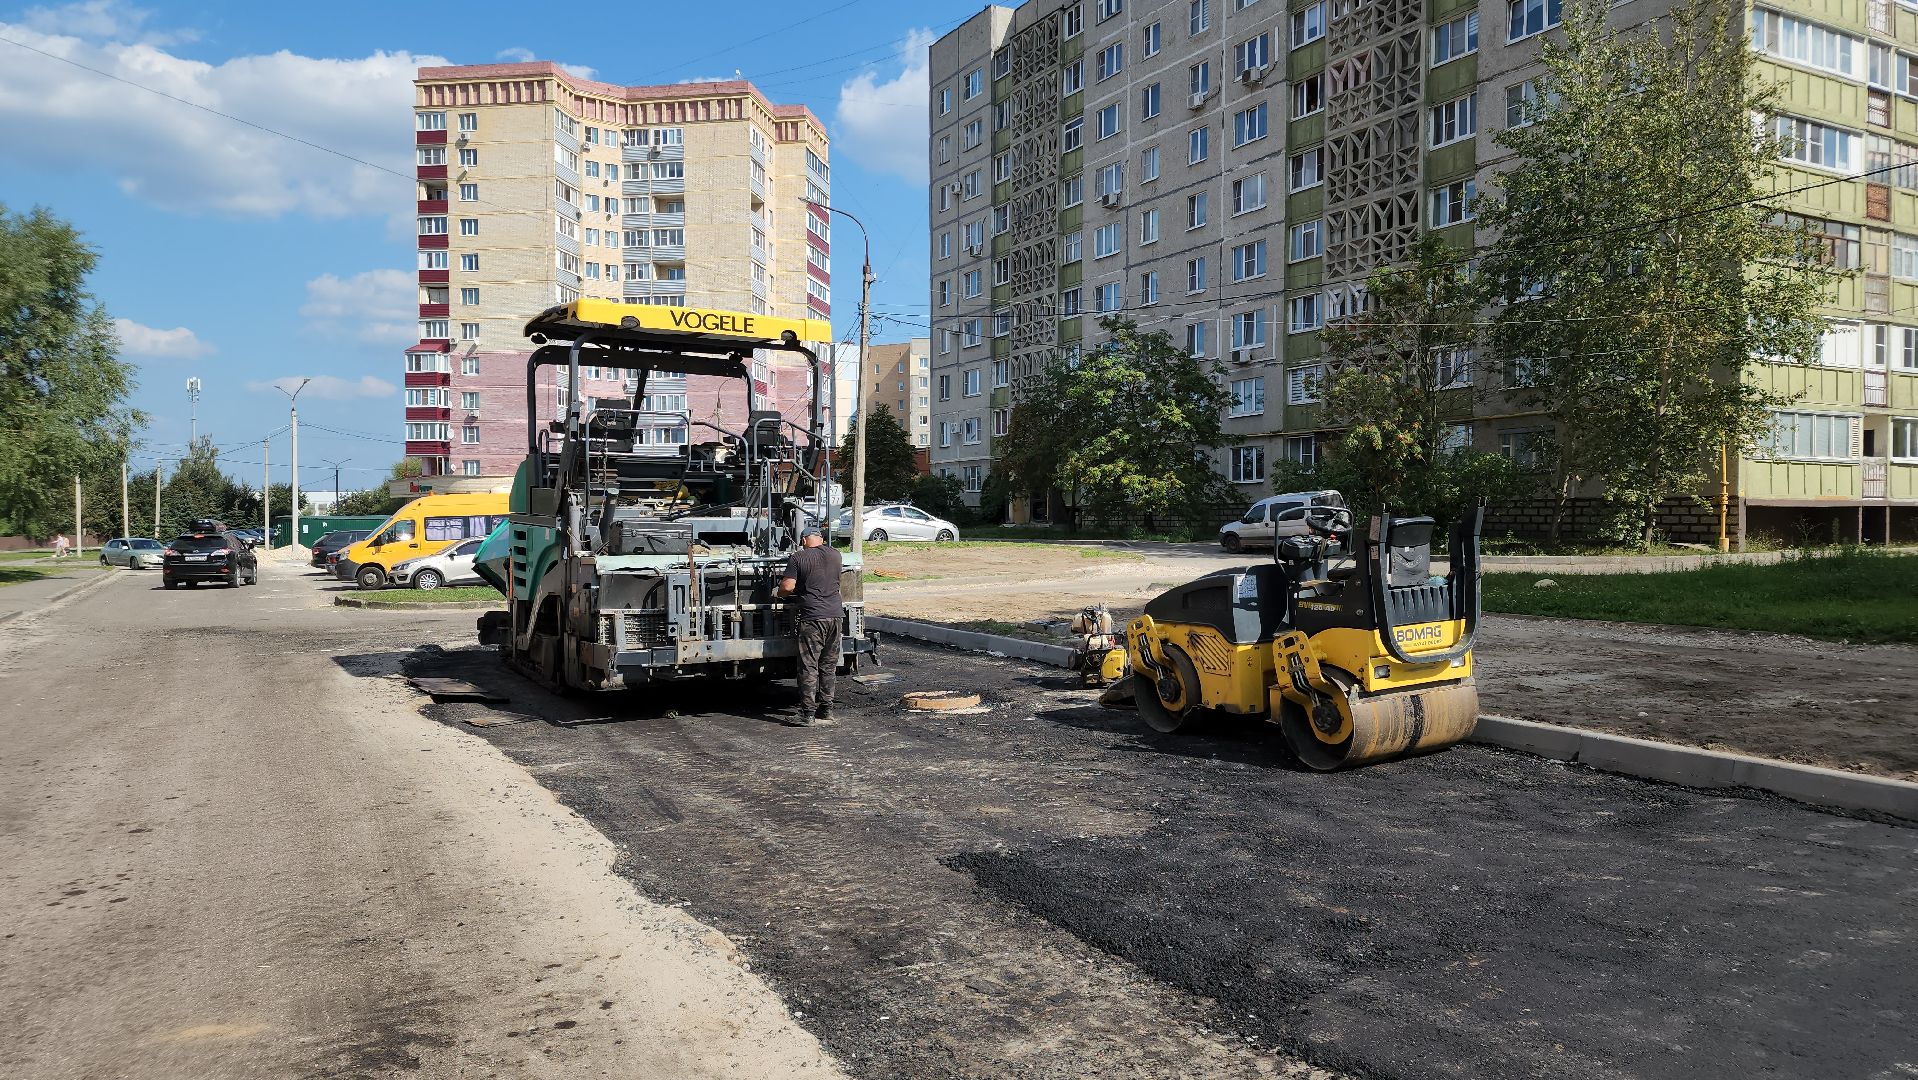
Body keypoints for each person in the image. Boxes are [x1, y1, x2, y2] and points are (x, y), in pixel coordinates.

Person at [778, 526, 843, 727]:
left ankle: (807, 714)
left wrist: (777, 593)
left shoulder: (799, 557)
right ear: (821, 539)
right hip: (835, 616)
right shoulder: (836, 555)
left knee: (808, 665)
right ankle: (827, 710)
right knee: (828, 666)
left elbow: (788, 587)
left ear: (805, 539)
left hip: (813, 618)